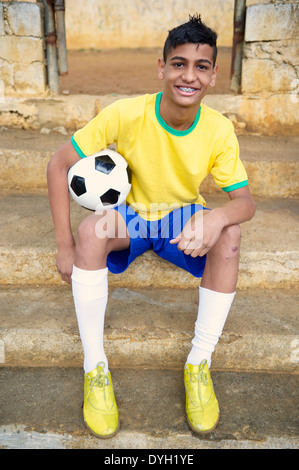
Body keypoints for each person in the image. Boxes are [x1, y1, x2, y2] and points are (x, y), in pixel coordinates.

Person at [47, 13, 256, 438]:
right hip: (131, 217)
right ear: (161, 68)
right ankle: (95, 369)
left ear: (214, 75)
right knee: (91, 232)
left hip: (180, 218)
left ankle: (199, 363)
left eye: (201, 67)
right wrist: (64, 244)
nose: (189, 76)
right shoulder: (126, 114)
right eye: (178, 64)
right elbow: (58, 163)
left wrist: (216, 216)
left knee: (230, 233)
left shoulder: (218, 130)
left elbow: (245, 203)